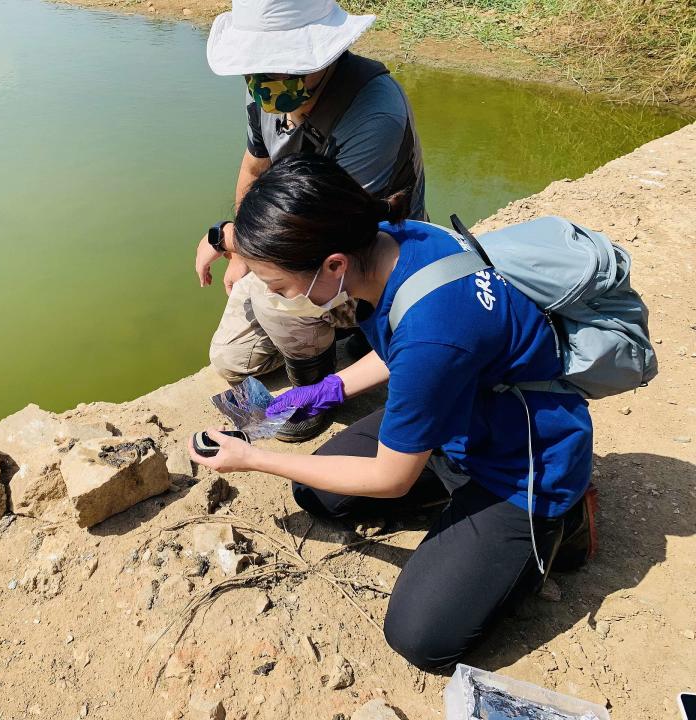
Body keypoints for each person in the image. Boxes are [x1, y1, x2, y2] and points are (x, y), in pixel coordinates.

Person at [188, 154, 597, 671]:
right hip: (455, 412)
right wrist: (327, 388)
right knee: (319, 493)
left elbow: (390, 474)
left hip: (523, 461)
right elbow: (401, 347)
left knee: (420, 637)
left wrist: (253, 459)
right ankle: (457, 503)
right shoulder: (389, 240)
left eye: (279, 288)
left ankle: (563, 519)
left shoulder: (434, 334)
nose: (277, 298)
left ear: (333, 264)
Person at [196, 0, 427, 443]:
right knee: (230, 360)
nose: (264, 79)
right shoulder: (266, 91)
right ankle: (345, 337)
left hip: (361, 251)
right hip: (293, 233)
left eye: (282, 63)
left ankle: (316, 391)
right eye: (255, 65)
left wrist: (229, 239)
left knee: (277, 295)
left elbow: (324, 233)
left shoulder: (373, 113)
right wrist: (244, 253)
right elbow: (254, 168)